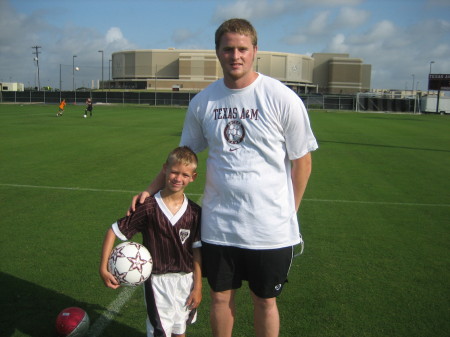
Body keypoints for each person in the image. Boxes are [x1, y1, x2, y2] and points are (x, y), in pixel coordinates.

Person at [129, 18, 318, 337]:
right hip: (218, 226)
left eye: (243, 49)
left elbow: (303, 162)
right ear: (217, 52)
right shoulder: (204, 102)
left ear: (255, 51)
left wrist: (289, 212)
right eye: (228, 49)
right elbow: (182, 156)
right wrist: (150, 190)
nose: (236, 56)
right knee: (219, 299)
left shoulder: (281, 97)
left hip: (269, 228)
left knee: (265, 302)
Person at [100, 146, 202, 337]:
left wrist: (198, 286)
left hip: (186, 282)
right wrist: (103, 268)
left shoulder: (195, 212)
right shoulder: (148, 207)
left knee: (180, 330)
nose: (178, 178)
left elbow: (196, 251)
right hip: (158, 282)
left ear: (193, 177)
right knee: (160, 333)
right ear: (165, 168)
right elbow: (113, 231)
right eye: (174, 172)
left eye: (185, 175)